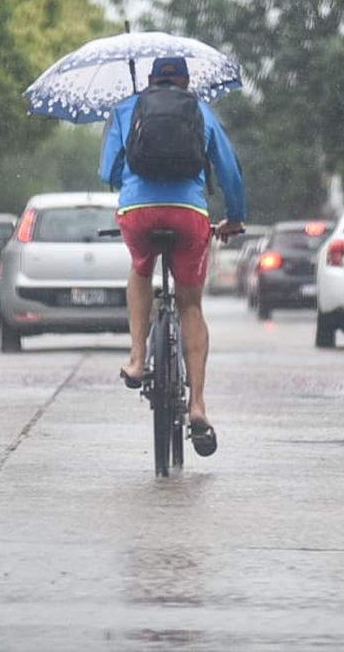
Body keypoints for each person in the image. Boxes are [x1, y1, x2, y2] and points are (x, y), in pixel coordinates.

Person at [99, 55, 247, 457]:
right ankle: (197, 405)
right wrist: (234, 217)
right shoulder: (200, 111)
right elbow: (229, 171)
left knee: (140, 270)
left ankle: (136, 357)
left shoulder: (128, 108)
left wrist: (128, 177)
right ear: (186, 81)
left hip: (139, 213)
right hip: (188, 214)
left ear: (149, 80)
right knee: (190, 306)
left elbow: (107, 171)